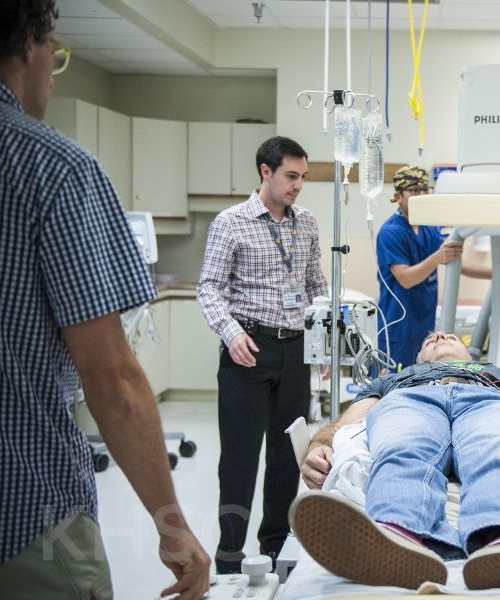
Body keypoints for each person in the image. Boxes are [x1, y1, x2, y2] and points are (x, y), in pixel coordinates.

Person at [0, 2, 210, 599]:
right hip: (19, 521)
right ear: (28, 46)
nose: (52, 75)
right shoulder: (51, 168)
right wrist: (172, 528)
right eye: (53, 56)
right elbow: (112, 380)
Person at [294, 332, 500, 592]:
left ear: (470, 354)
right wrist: (322, 444)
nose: (440, 338)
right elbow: (347, 421)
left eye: (449, 337)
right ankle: (396, 535)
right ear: (418, 356)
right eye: (430, 340)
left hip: (487, 400)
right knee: (401, 447)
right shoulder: (394, 379)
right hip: (412, 400)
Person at [197, 135, 328, 574]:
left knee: (286, 456)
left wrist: (322, 340)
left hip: (296, 353)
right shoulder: (231, 222)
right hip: (248, 351)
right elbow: (209, 287)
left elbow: (316, 287)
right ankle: (230, 556)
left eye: (303, 178)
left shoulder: (305, 222)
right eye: (291, 176)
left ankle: (274, 548)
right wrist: (230, 333)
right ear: (265, 172)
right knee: (239, 457)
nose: (298, 186)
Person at [376, 166, 491, 371]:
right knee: (396, 386)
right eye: (414, 191)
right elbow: (405, 278)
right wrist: (438, 257)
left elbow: (455, 262)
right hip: (399, 330)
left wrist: (495, 275)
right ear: (398, 196)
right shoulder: (390, 232)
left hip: (425, 327)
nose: (421, 196)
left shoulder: (429, 227)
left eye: (424, 190)